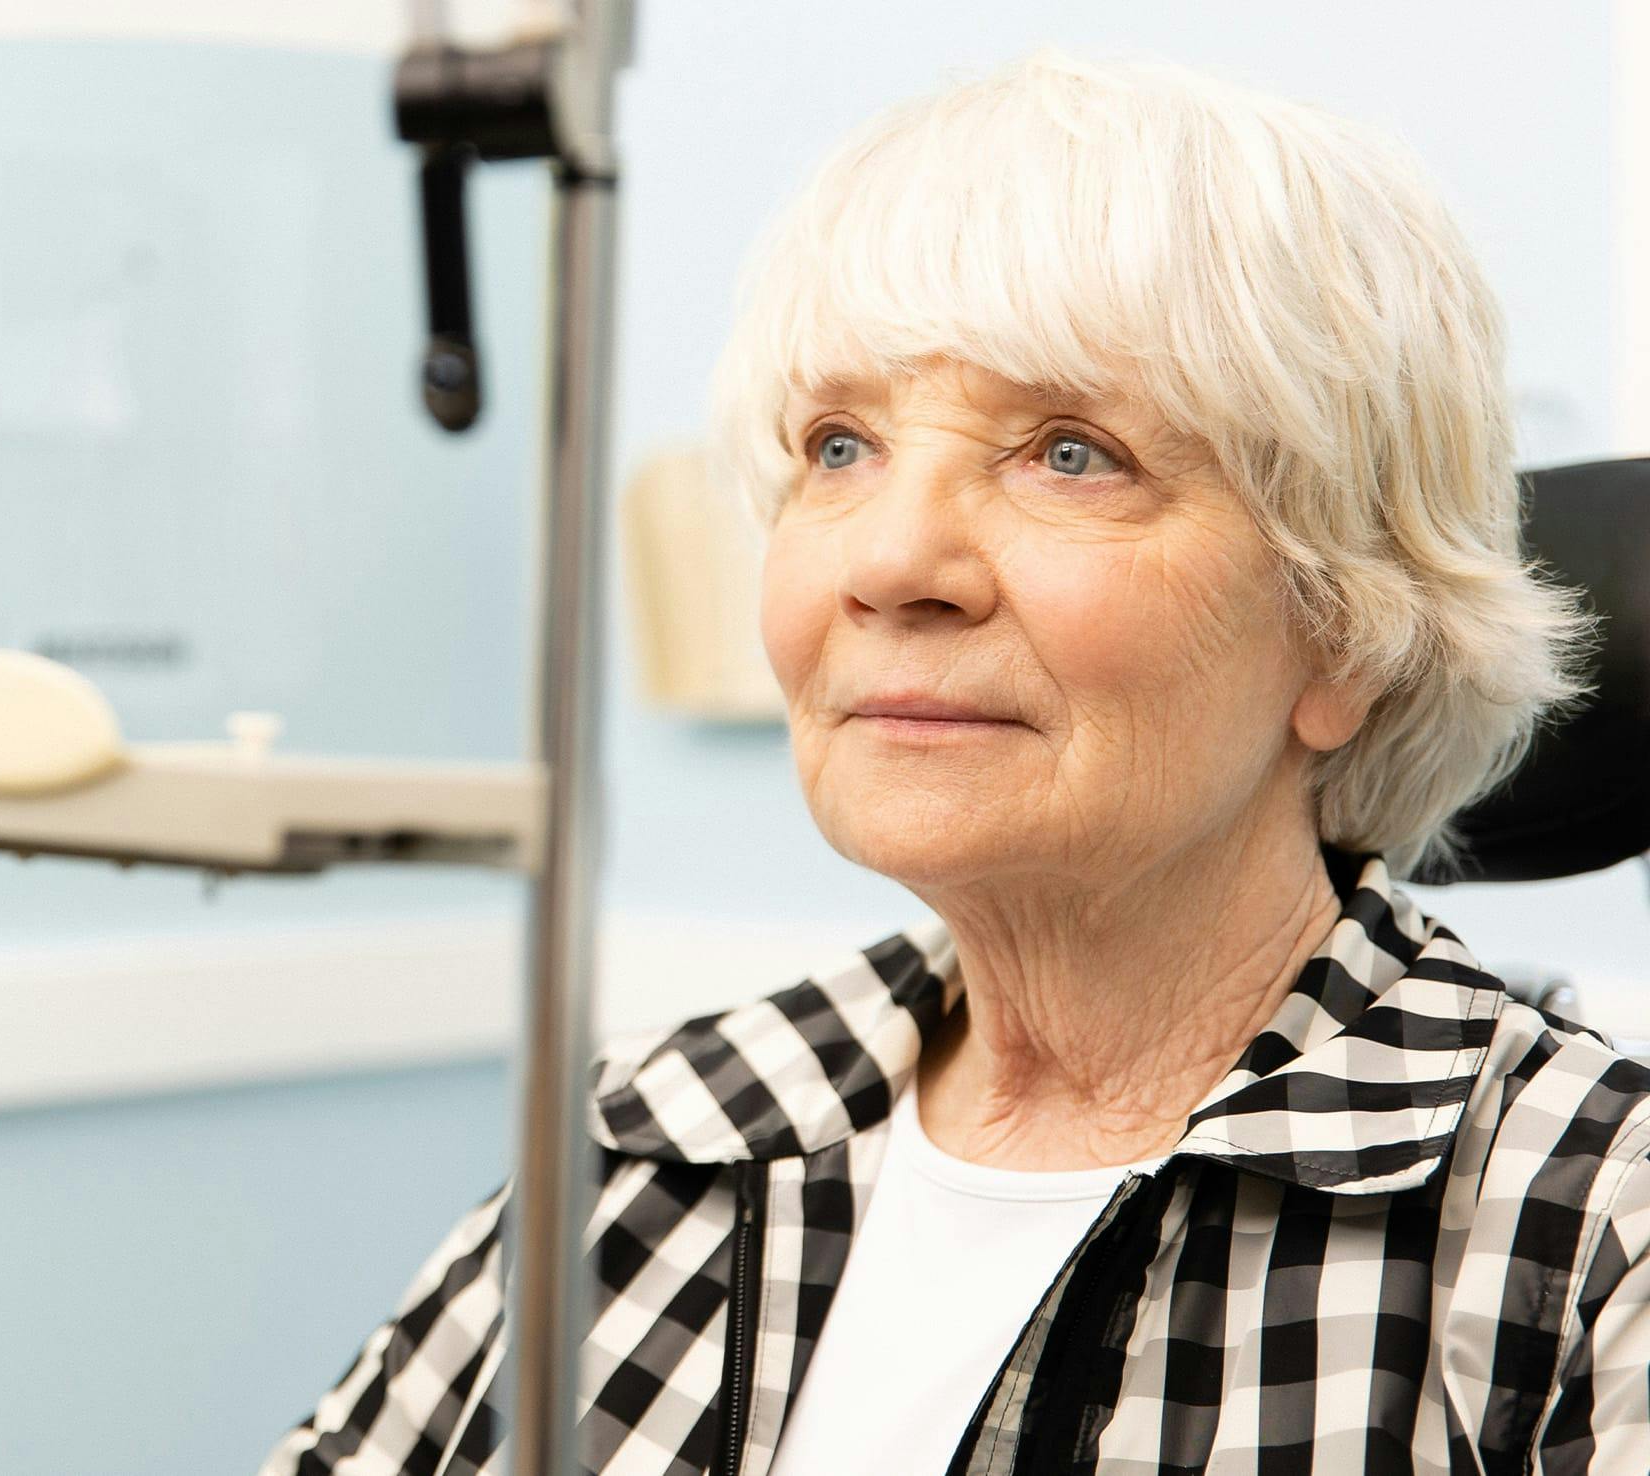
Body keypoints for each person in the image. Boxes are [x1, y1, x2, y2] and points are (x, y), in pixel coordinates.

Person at [263, 50, 1650, 1474]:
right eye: (840, 447)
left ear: (1348, 635)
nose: (889, 560)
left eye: (1070, 453)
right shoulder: (652, 1144)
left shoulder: (1587, 1240)